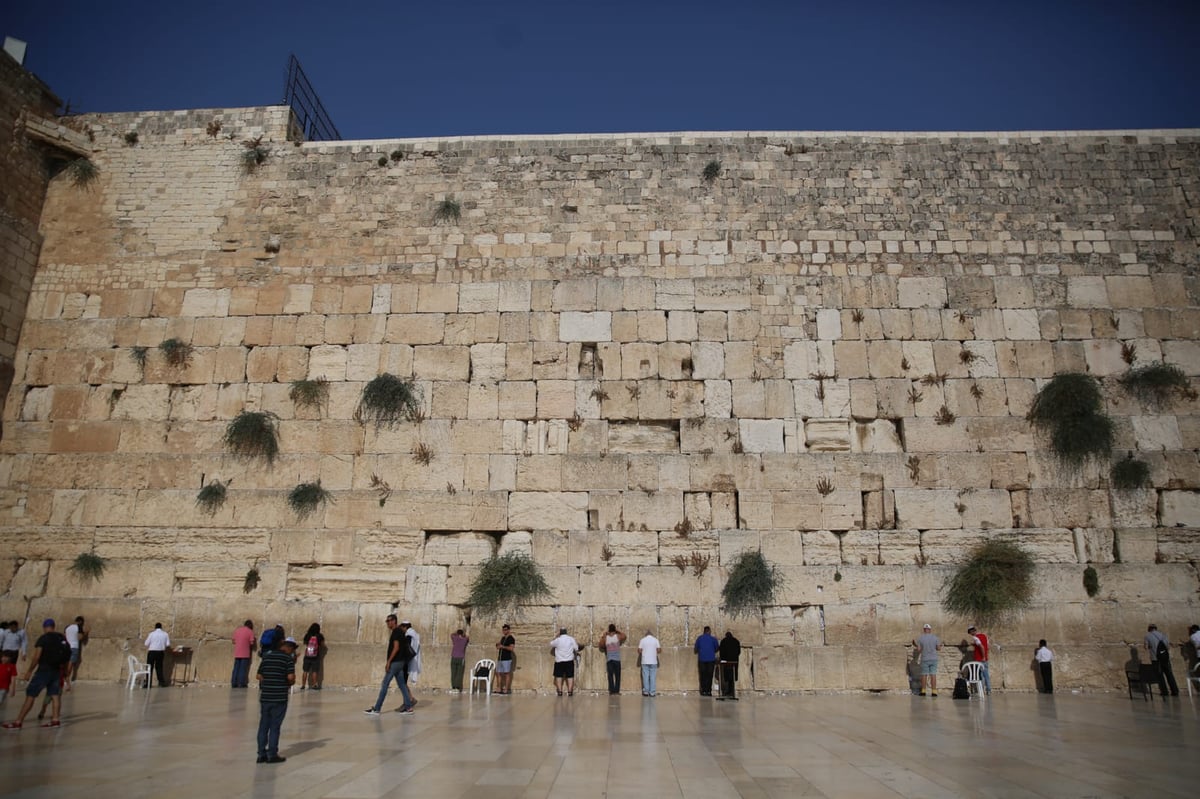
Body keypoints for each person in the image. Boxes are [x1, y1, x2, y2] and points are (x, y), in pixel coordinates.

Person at [2, 619, 68, 730]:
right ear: (53, 626)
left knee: (31, 695)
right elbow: (67, 656)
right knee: (55, 695)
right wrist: (65, 672)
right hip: (56, 671)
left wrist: (29, 671)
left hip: (43, 670)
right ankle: (55, 720)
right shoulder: (61, 638)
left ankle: (18, 722)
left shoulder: (44, 638)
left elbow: (37, 656)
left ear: (44, 627)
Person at [256, 636, 296, 763]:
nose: (292, 652)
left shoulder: (267, 657)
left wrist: (269, 681)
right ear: (287, 648)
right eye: (292, 649)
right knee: (275, 726)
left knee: (263, 725)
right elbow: (290, 677)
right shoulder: (287, 659)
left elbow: (258, 676)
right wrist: (286, 682)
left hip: (266, 696)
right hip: (279, 697)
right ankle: (272, 754)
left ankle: (261, 754)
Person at [364, 614, 414, 715]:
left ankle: (377, 708)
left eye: (389, 621)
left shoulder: (396, 632)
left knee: (385, 684)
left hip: (395, 663)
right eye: (386, 621)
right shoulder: (400, 632)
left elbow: (396, 648)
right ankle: (408, 707)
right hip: (401, 662)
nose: (387, 623)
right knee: (402, 685)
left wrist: (388, 662)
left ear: (394, 621)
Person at [1144, 624, 1179, 697]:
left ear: (1149, 629)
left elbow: (1146, 647)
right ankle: (1175, 691)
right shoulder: (1163, 635)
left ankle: (1164, 691)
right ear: (1156, 628)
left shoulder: (1147, 636)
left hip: (1155, 658)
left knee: (1159, 675)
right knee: (1169, 674)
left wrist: (1151, 647)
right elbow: (1168, 647)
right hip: (1165, 658)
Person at [550, 627, 580, 696]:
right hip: (569, 661)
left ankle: (560, 692)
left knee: (558, 676)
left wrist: (556, 636)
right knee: (570, 676)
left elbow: (551, 644)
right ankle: (570, 692)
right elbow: (576, 648)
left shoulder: (558, 640)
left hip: (559, 661)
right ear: (566, 632)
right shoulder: (571, 639)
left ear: (560, 632)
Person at [914, 624, 941, 697]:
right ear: (930, 630)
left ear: (924, 629)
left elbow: (919, 650)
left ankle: (923, 691)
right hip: (934, 658)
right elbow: (938, 648)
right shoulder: (935, 638)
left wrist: (915, 645)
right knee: (933, 675)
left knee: (924, 675)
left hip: (925, 659)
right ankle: (934, 691)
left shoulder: (920, 638)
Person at [598, 623, 626, 695]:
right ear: (614, 629)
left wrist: (604, 635)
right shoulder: (618, 636)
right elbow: (624, 636)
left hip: (609, 659)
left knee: (610, 675)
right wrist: (618, 631)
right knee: (617, 676)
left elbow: (600, 645)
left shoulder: (606, 638)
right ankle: (616, 691)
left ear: (609, 629)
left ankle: (611, 691)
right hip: (617, 659)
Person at [693, 625, 719, 696]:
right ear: (709, 631)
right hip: (711, 659)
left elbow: (696, 649)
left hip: (702, 659)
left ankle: (703, 690)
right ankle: (708, 691)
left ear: (704, 631)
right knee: (710, 675)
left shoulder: (699, 638)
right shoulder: (713, 639)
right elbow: (717, 648)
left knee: (703, 675)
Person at [965, 625, 990, 695]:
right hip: (985, 659)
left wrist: (983, 657)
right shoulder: (984, 636)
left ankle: (981, 690)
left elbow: (981, 647)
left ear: (972, 631)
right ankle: (988, 690)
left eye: (970, 633)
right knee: (986, 675)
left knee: (981, 675)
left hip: (980, 659)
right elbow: (987, 646)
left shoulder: (975, 638)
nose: (970, 634)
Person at [144, 622, 171, 687]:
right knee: (159, 667)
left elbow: (146, 643)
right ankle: (161, 682)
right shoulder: (165, 634)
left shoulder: (151, 634)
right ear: (161, 627)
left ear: (155, 627)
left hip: (152, 652)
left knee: (149, 667)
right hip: (160, 652)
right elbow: (168, 644)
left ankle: (148, 683)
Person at [717, 631, 741, 700]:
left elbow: (721, 652)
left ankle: (728, 691)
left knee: (727, 676)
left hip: (726, 661)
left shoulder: (723, 641)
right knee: (733, 675)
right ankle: (732, 691)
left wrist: (723, 658)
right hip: (734, 661)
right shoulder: (736, 641)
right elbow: (739, 651)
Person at [231, 620, 256, 688]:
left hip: (237, 653)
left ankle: (233, 682)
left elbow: (233, 641)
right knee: (242, 669)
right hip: (245, 653)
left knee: (236, 668)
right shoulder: (250, 631)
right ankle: (241, 683)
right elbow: (251, 643)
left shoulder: (238, 630)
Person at [64, 616, 88, 682]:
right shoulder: (78, 627)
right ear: (80, 622)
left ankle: (64, 678)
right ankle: (67, 678)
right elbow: (79, 638)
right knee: (71, 663)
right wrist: (86, 633)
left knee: (66, 662)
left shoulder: (67, 627)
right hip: (74, 647)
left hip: (67, 646)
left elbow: (64, 636)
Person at [637, 629, 661, 697]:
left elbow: (639, 650)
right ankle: (652, 692)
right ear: (651, 635)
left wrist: (644, 652)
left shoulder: (642, 640)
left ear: (646, 635)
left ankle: (646, 692)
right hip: (653, 661)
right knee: (653, 677)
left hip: (645, 661)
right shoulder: (655, 640)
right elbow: (659, 650)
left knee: (645, 677)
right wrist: (654, 651)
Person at [301, 623, 324, 689]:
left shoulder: (307, 635)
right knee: (314, 671)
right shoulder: (319, 636)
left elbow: (305, 643)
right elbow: (322, 645)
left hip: (307, 655)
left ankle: (303, 685)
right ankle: (314, 684)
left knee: (305, 670)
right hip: (315, 656)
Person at [495, 624, 516, 695]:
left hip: (506, 659)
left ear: (509, 630)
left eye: (506, 629)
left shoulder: (511, 638)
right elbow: (500, 646)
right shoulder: (503, 638)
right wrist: (498, 645)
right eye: (503, 630)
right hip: (500, 658)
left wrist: (503, 646)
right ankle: (498, 688)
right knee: (498, 673)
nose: (504, 631)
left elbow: (511, 648)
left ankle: (506, 689)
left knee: (506, 674)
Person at [449, 629, 469, 693]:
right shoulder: (464, 640)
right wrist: (464, 634)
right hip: (461, 658)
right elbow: (467, 637)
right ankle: (457, 687)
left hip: (454, 657)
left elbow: (451, 634)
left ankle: (453, 686)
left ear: (457, 633)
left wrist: (455, 633)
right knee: (459, 673)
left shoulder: (455, 638)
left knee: (453, 672)